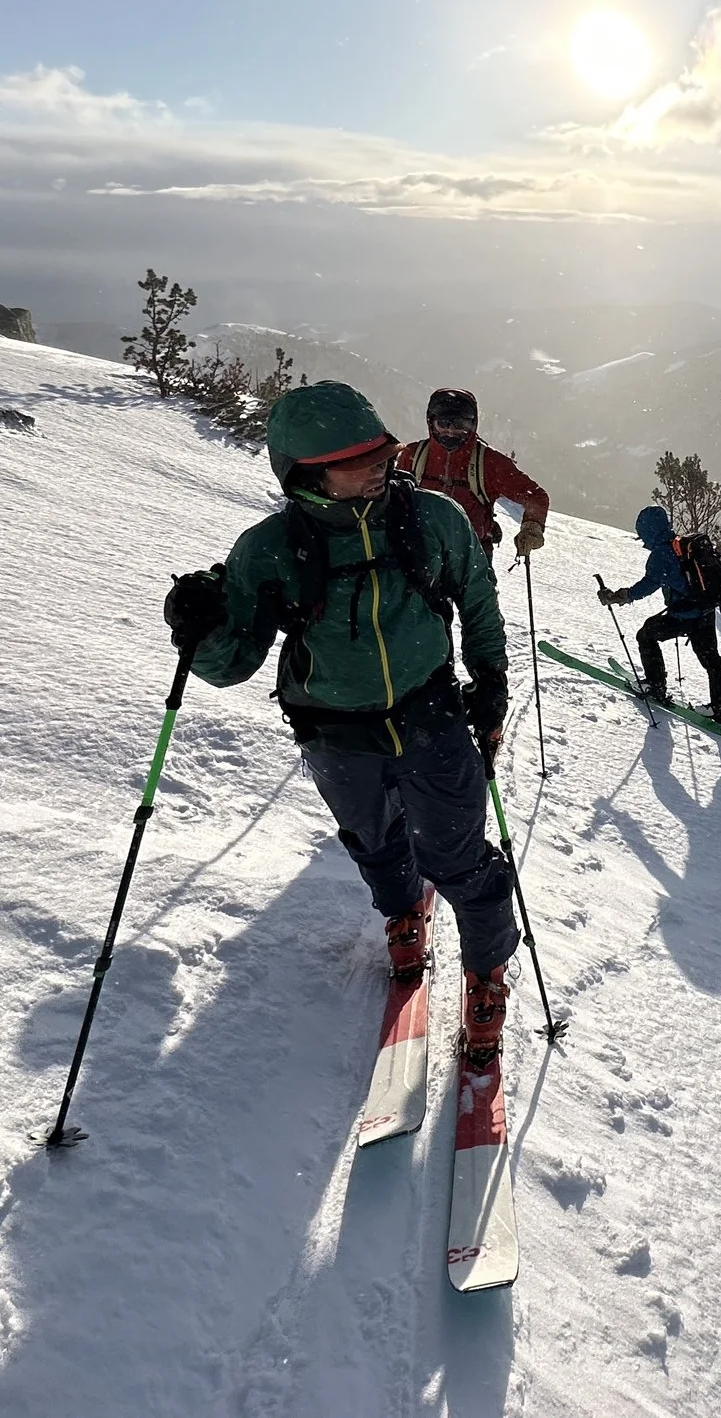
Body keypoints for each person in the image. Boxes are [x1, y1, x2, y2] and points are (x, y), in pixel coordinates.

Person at [161, 382, 520, 1068]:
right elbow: (231, 663)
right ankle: (403, 912)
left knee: (459, 857)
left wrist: (491, 684)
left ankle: (486, 974)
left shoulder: (433, 520)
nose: (378, 465)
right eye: (355, 460)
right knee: (375, 841)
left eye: (379, 451)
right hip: (335, 733)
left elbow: (478, 599)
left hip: (431, 714)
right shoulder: (270, 549)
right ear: (306, 473)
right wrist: (199, 629)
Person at [596, 504, 721, 724]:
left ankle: (655, 685)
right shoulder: (680, 545)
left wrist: (620, 596)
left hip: (686, 614)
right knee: (711, 658)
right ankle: (720, 707)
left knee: (646, 634)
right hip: (705, 610)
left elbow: (649, 584)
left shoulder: (661, 554)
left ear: (648, 531)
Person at [394, 387, 550, 562]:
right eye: (443, 423)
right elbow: (393, 497)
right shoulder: (413, 455)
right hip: (418, 554)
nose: (450, 431)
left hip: (470, 558)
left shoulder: (489, 462)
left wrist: (531, 527)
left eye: (459, 424)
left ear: (472, 425)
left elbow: (535, 496)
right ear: (432, 422)